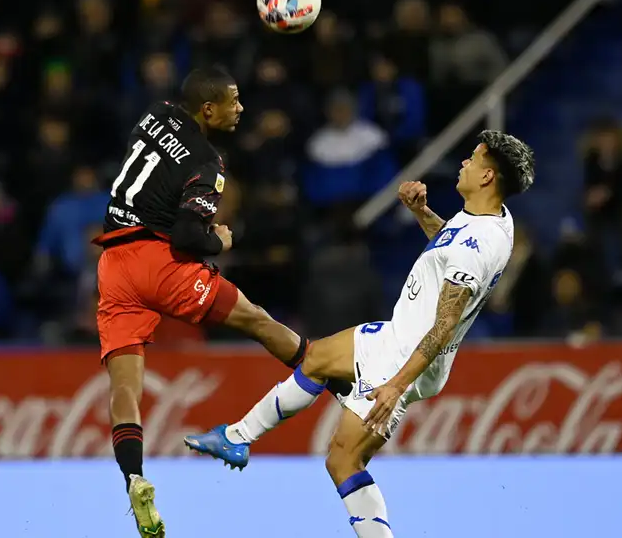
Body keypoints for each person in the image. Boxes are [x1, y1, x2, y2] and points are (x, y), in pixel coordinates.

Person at [184, 131, 535, 538]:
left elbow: (445, 326)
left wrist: (395, 385)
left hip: (407, 358)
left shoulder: (480, 244)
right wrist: (422, 214)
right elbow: (449, 249)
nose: (464, 163)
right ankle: (237, 438)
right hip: (396, 335)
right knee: (315, 360)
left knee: (343, 461)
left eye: (473, 159)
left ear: (489, 176)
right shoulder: (492, 218)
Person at [92, 65, 350, 537]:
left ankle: (134, 478)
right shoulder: (207, 163)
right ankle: (339, 384)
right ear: (208, 109)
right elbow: (191, 235)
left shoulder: (154, 114)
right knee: (255, 319)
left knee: (125, 388)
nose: (241, 108)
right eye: (233, 101)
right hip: (160, 262)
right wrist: (222, 241)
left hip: (113, 263)